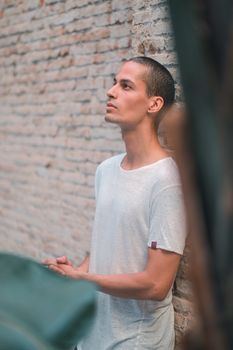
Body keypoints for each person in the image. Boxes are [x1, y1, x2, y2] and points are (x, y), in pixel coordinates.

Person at [43, 56, 187, 350]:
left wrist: (86, 279)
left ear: (154, 104)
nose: (111, 91)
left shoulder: (167, 181)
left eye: (126, 86)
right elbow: (106, 242)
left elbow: (156, 285)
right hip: (93, 333)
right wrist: (75, 272)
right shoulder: (106, 169)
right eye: (113, 83)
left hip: (135, 340)